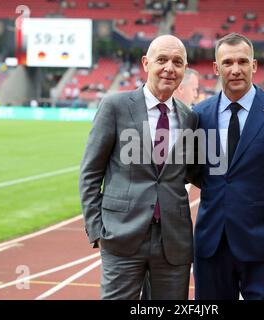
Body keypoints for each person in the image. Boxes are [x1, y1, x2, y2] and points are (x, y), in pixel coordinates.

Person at [79, 34, 198, 300]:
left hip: (173, 241)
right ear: (146, 63)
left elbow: (193, 172)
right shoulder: (115, 106)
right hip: (121, 235)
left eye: (178, 62)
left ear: (184, 69)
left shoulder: (189, 117)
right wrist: (97, 229)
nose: (170, 68)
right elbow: (90, 173)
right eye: (162, 60)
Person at [192, 33, 264, 300]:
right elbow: (196, 173)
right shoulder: (199, 115)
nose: (235, 69)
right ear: (216, 68)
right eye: (228, 62)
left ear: (253, 66)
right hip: (212, 247)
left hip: (263, 249)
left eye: (243, 61)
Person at [140, 67, 200, 300]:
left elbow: (194, 172)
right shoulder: (134, 112)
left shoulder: (191, 120)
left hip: (172, 232)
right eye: (194, 89)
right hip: (134, 229)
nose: (196, 95)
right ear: (181, 88)